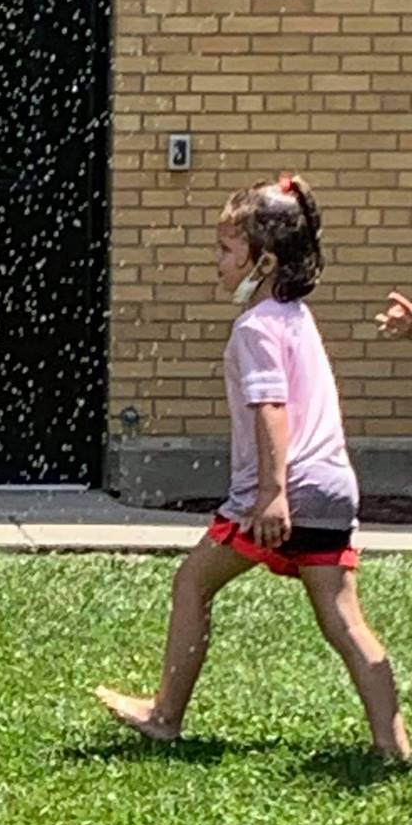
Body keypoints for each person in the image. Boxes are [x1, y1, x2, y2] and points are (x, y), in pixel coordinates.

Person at [96, 173, 408, 760]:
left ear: (262, 261)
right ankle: (394, 747)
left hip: (285, 488)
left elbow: (272, 411)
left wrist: (271, 495)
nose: (217, 262)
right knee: (344, 621)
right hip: (334, 488)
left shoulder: (256, 328)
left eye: (225, 251)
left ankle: (165, 715)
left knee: (193, 581)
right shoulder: (296, 318)